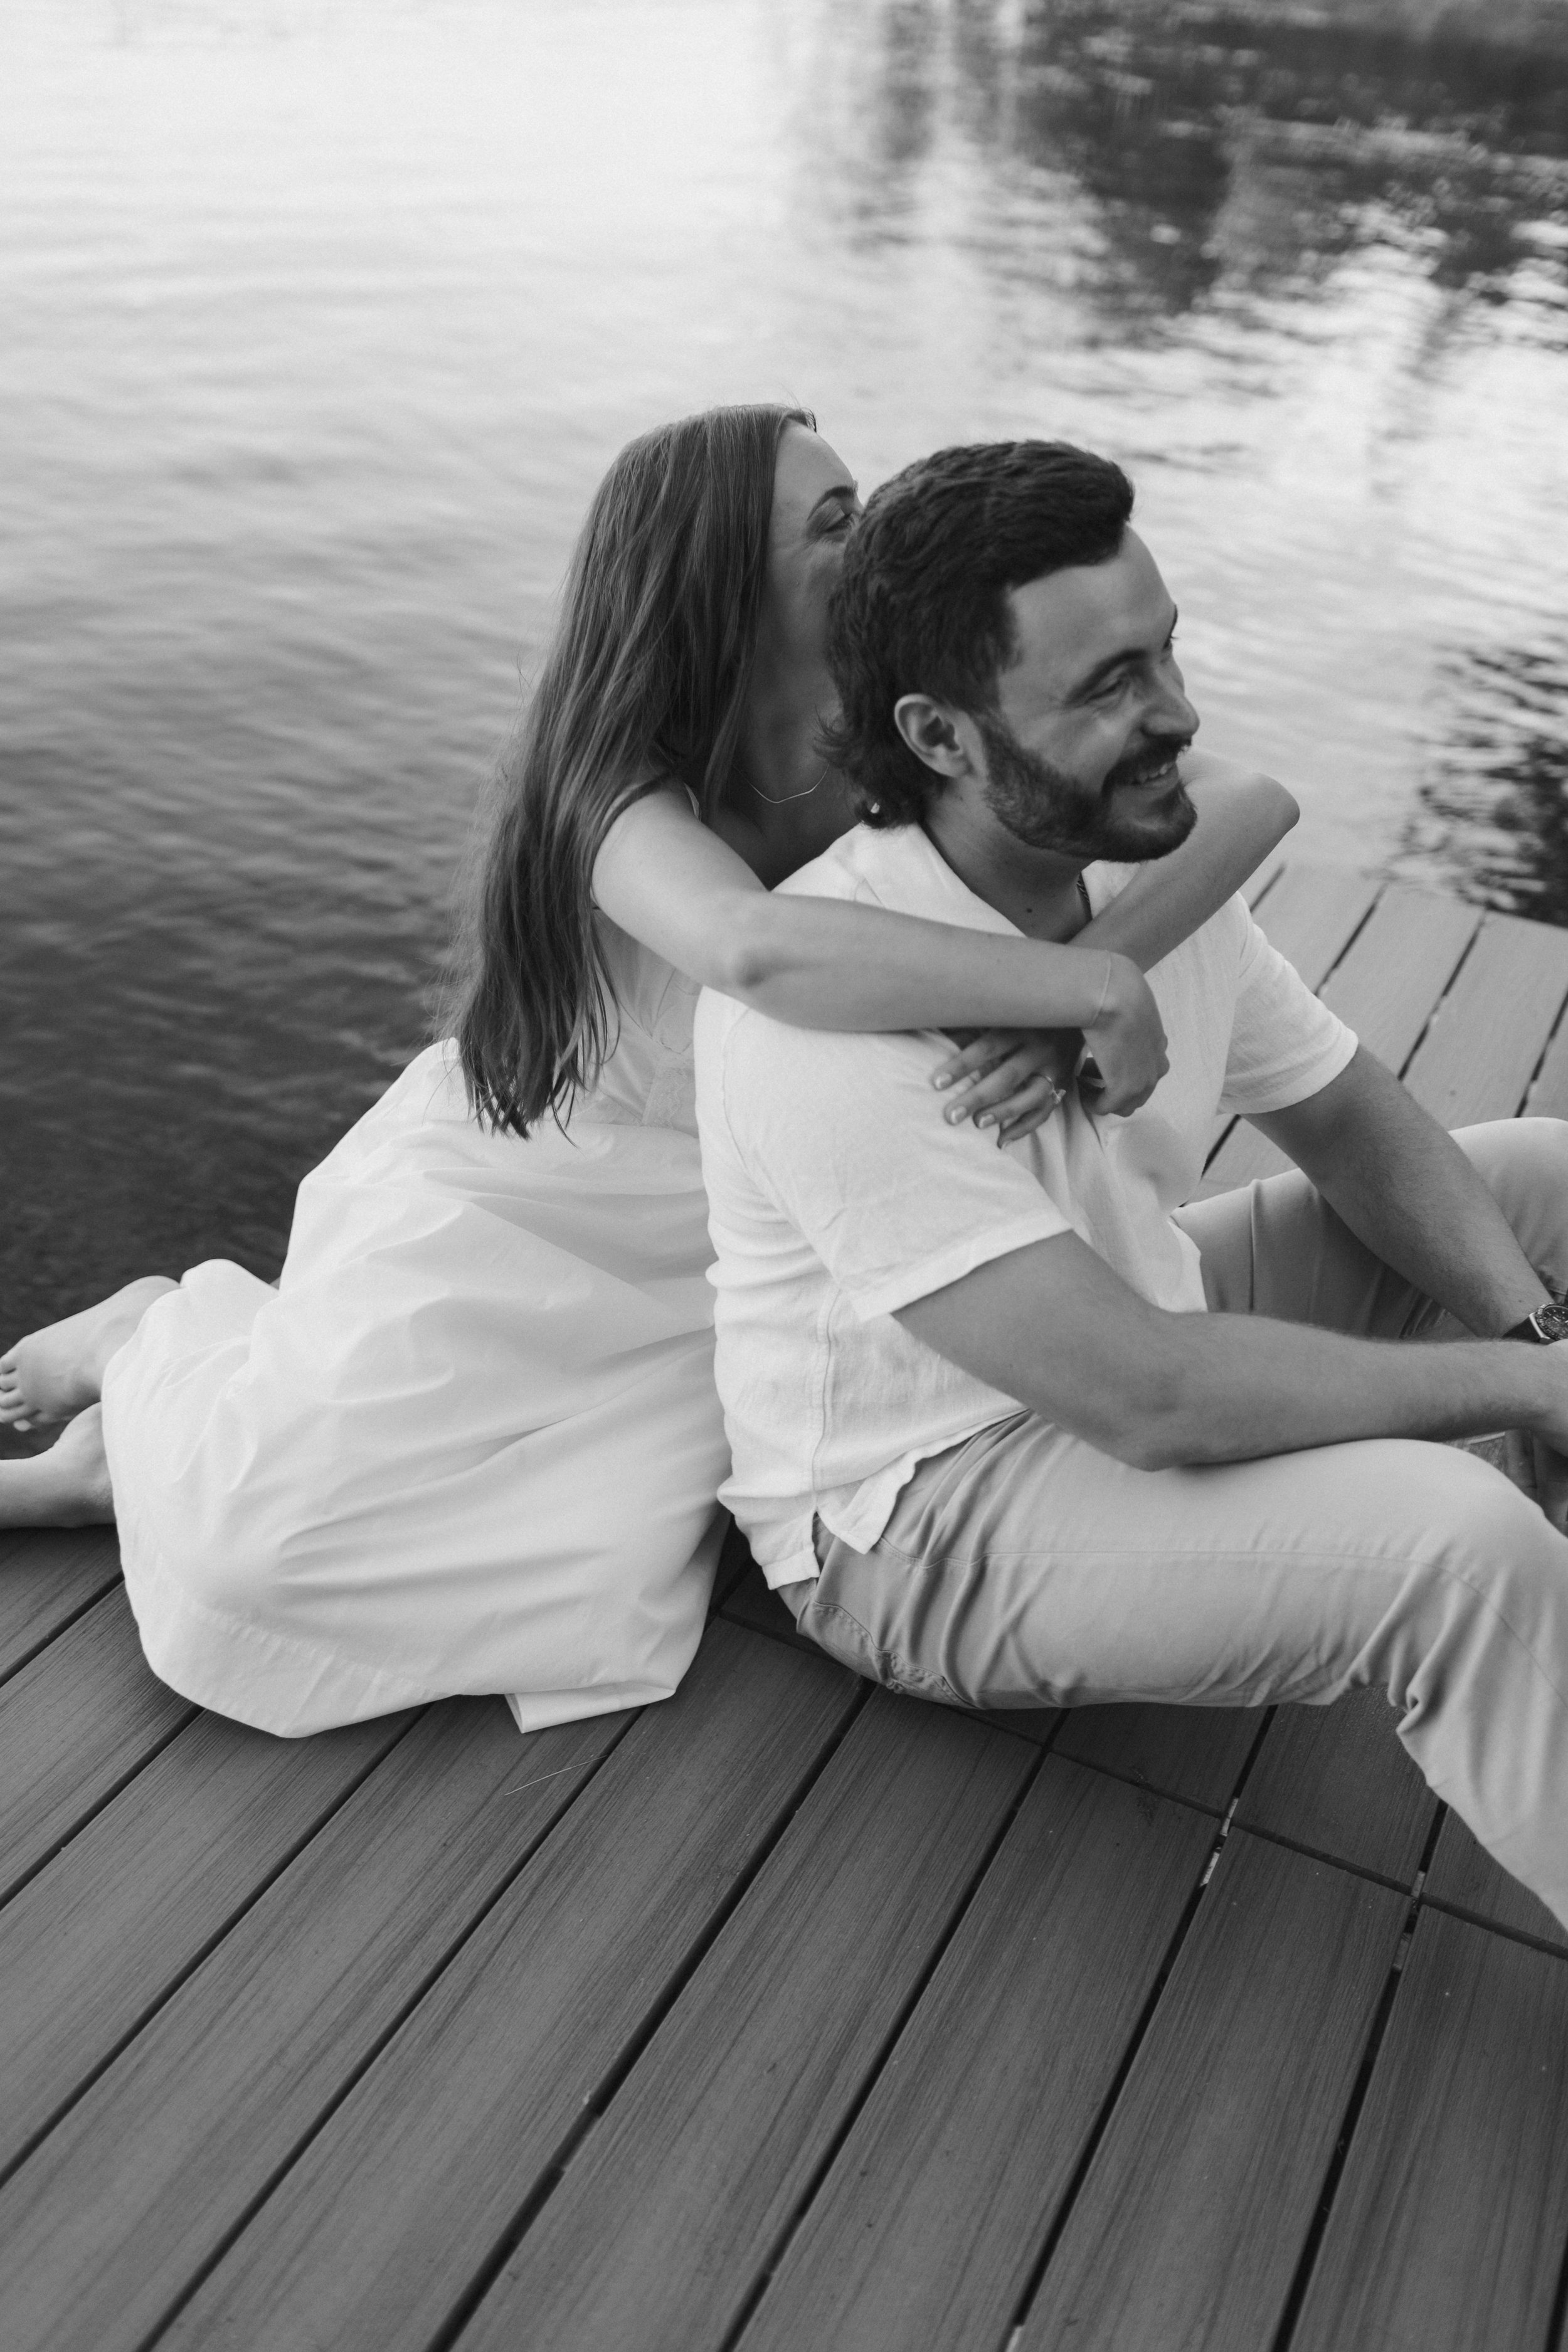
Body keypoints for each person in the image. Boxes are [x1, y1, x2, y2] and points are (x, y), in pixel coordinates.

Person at [0, 407, 1293, 1739]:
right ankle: (153, 1340)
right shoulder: (615, 789)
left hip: (721, 1251)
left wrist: (1095, 973)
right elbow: (750, 949)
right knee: (260, 1558)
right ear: (718, 580)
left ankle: (117, 1463)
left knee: (592, 1565)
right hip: (524, 1206)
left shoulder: (897, 740)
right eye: (834, 518)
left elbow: (1252, 796)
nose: (876, 530)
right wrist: (1082, 985)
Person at [694, 434, 1568, 1928]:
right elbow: (1148, 1400)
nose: (1175, 716)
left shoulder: (1130, 875)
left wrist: (1533, 1335)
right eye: (1104, 687)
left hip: (1131, 1310)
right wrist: (1519, 1389)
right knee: (1458, 1547)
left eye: (1162, 653)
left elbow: (1350, 1116)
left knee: (1536, 1179)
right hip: (922, 1520)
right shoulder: (809, 1018)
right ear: (943, 736)